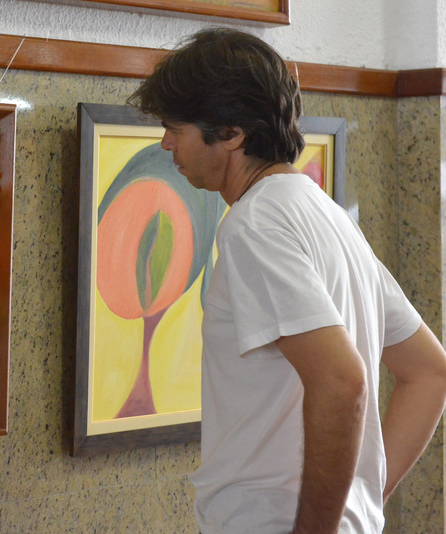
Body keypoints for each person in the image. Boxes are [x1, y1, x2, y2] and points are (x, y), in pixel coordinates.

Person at [128, 28, 446, 533]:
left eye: (175, 128)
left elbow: (342, 381)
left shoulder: (255, 224)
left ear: (231, 133)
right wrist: (362, 502)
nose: (166, 143)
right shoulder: (326, 212)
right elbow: (429, 371)